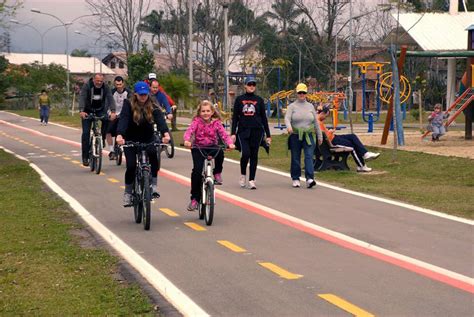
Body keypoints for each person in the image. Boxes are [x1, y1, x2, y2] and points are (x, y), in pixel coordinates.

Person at [116, 81, 170, 207]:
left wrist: (166, 134)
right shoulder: (128, 104)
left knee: (154, 156)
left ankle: (154, 185)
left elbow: (160, 121)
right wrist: (120, 135)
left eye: (145, 94)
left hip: (148, 137)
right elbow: (123, 120)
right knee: (131, 166)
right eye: (140, 95)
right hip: (131, 139)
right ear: (135, 94)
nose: (143, 97)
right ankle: (128, 193)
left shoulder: (153, 104)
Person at [184, 100, 235, 211]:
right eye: (203, 111)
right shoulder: (196, 122)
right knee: (197, 172)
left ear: (212, 112)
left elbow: (224, 134)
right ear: (199, 112)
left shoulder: (216, 123)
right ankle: (195, 199)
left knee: (220, 152)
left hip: (212, 147)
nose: (206, 113)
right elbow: (189, 131)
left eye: (208, 111)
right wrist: (187, 141)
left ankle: (217, 172)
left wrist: (230, 143)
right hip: (198, 148)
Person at [231, 76, 271, 189]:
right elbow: (235, 118)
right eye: (249, 84)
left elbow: (264, 118)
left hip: (257, 131)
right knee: (246, 153)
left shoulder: (259, 100)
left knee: (254, 155)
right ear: (245, 86)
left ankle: (252, 179)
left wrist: (268, 135)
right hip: (243, 131)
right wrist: (233, 133)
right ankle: (243, 174)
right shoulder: (239, 99)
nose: (251, 86)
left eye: (253, 84)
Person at [317, 105, 380, 172]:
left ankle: (365, 154)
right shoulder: (318, 123)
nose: (325, 118)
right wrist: (330, 131)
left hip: (332, 138)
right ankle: (361, 166)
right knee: (351, 146)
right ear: (322, 113)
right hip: (332, 142)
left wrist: (328, 131)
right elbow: (323, 136)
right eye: (326, 116)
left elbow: (324, 134)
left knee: (352, 136)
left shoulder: (317, 120)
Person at [285, 83, 322, 188]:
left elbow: (316, 122)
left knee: (309, 156)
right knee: (295, 157)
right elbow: (287, 118)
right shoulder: (292, 106)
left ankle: (310, 178)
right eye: (300, 92)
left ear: (306, 93)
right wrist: (289, 127)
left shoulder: (310, 106)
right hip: (296, 135)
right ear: (297, 93)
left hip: (308, 135)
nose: (302, 94)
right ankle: (296, 178)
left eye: (303, 92)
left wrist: (319, 136)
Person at [79, 73, 116, 166]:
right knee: (86, 133)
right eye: (98, 81)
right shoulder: (87, 86)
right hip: (87, 110)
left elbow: (110, 98)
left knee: (107, 120)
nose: (99, 83)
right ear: (94, 80)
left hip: (100, 109)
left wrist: (113, 111)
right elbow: (82, 97)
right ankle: (85, 157)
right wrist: (81, 110)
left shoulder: (105, 87)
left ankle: (102, 138)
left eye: (101, 81)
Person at [107, 76, 131, 160]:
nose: (119, 86)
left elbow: (131, 104)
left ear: (123, 83)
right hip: (113, 114)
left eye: (120, 84)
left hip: (124, 115)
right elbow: (107, 104)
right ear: (114, 84)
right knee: (108, 131)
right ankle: (111, 151)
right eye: (117, 84)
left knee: (128, 131)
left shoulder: (128, 93)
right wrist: (110, 114)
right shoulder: (111, 93)